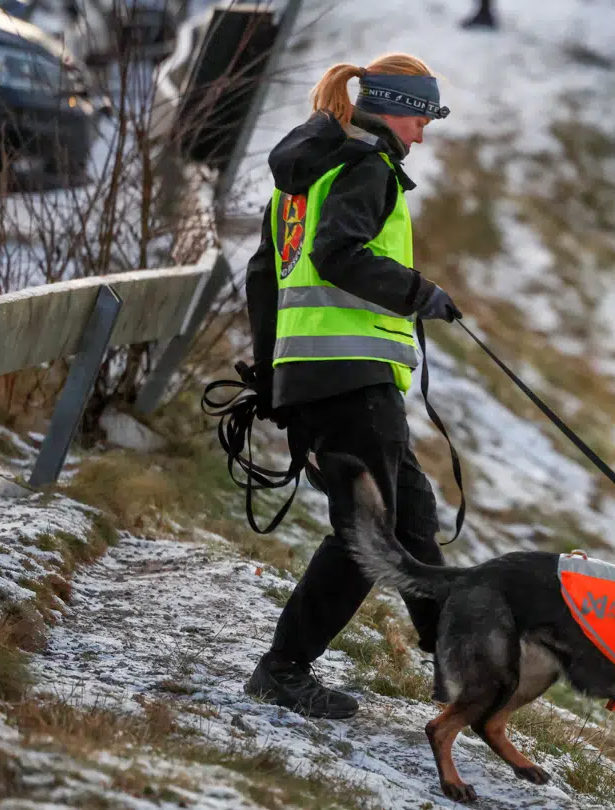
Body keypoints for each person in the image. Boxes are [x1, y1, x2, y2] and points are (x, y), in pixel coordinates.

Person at [239, 52, 462, 719]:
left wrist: (276, 379)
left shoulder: (301, 178)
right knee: (368, 532)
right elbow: (338, 254)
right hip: (352, 378)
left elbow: (262, 277)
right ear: (398, 111)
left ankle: (456, 662)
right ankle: (283, 668)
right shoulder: (367, 167)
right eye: (422, 120)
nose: (423, 136)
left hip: (319, 377)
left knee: (412, 515)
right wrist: (417, 292)